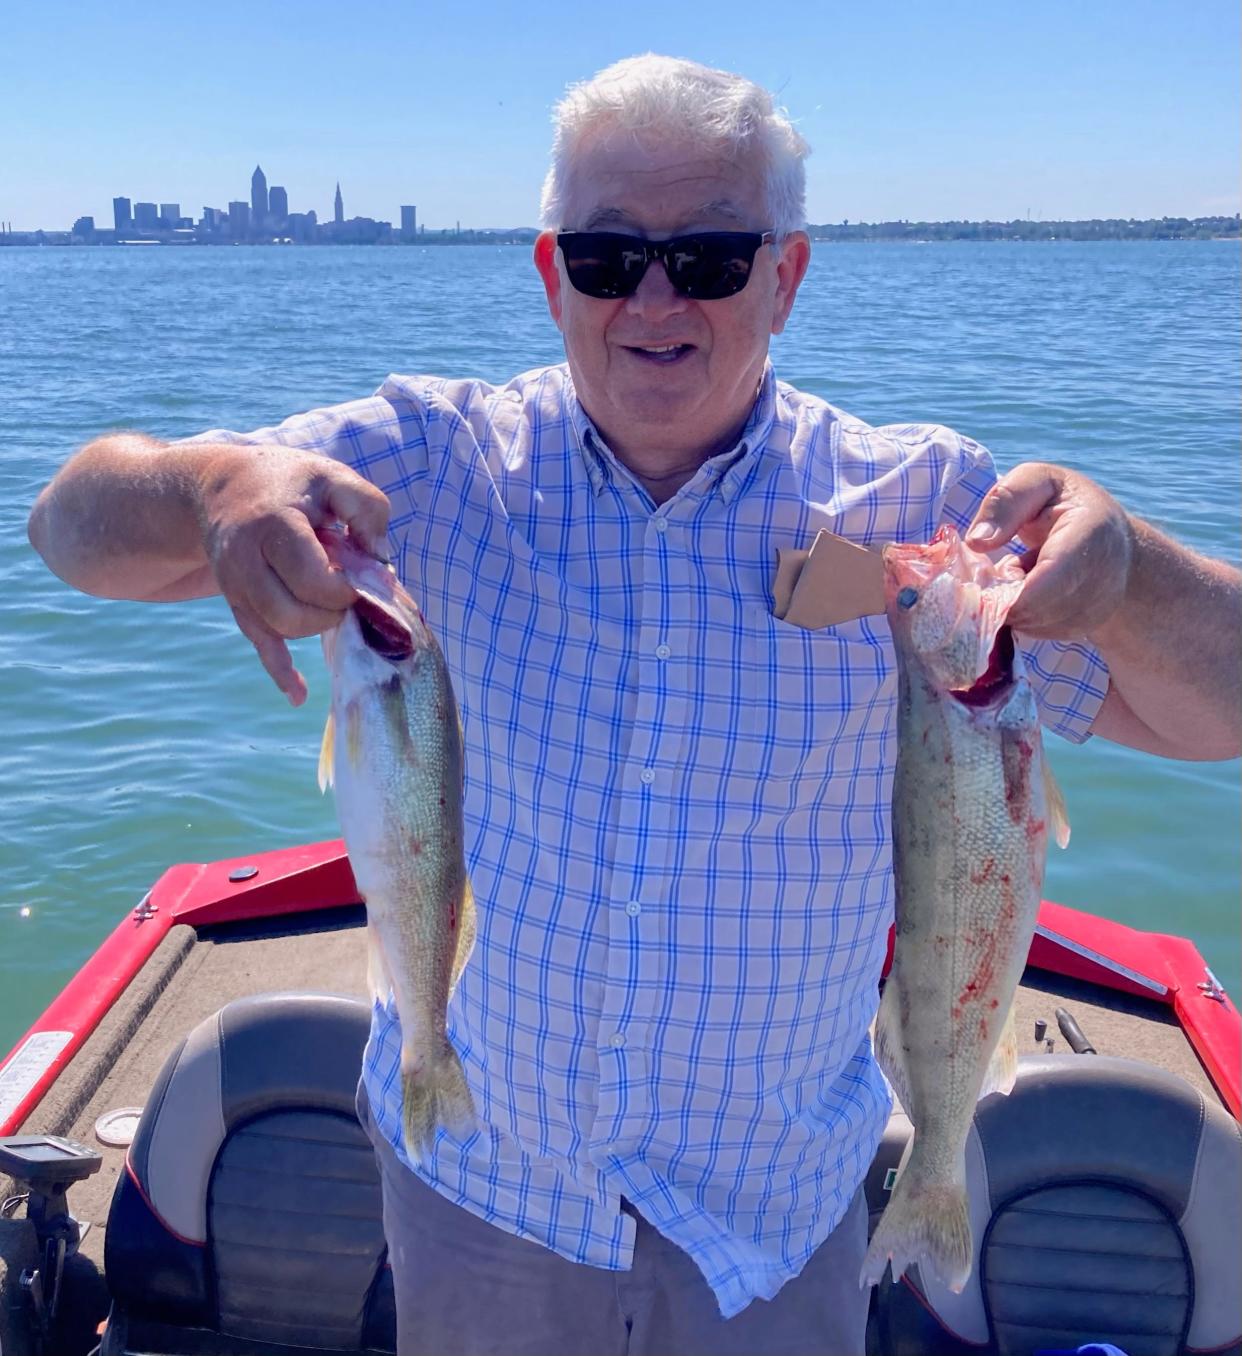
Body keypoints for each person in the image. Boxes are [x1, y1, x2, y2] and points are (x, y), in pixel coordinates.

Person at [27, 54, 1240, 1356]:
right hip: (484, 1185)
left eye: (710, 257)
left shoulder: (923, 509)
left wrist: (1128, 571)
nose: (653, 298)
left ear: (786, 276)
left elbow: (1209, 711)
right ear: (552, 277)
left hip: (774, 1214)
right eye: (608, 260)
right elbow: (72, 533)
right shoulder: (426, 462)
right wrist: (209, 488)